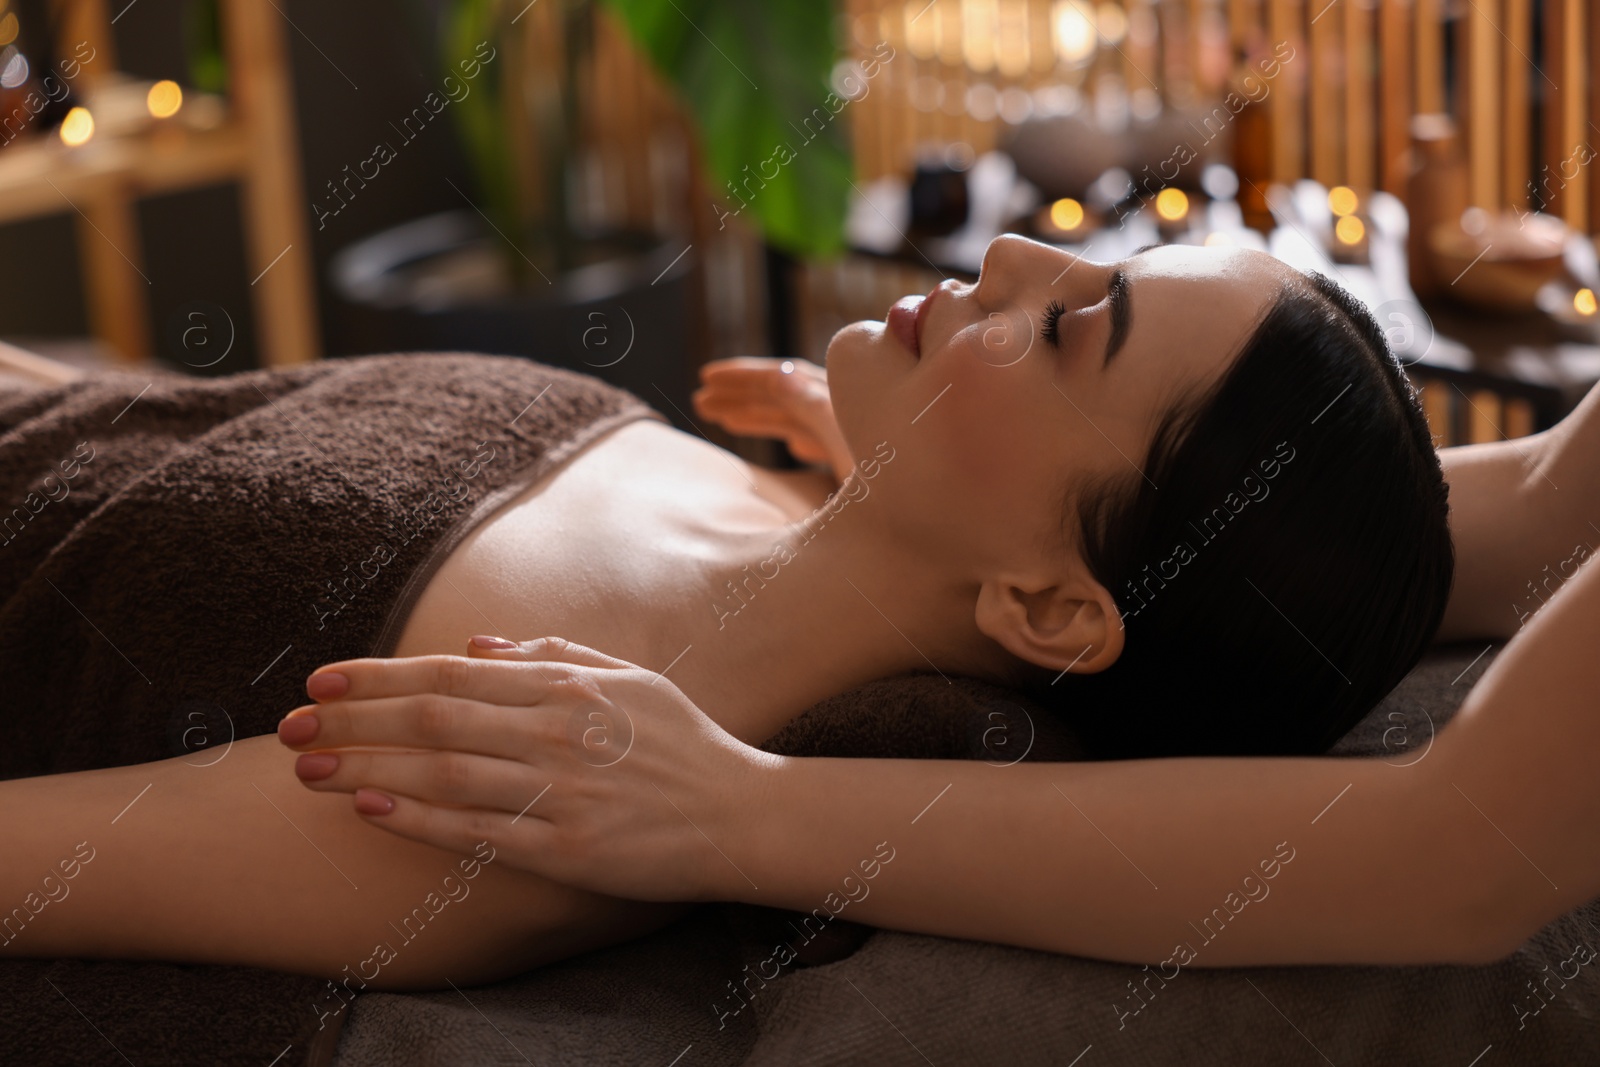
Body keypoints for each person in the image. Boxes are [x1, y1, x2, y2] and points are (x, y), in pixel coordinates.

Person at [1, 238, 1463, 988]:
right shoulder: (766, 483)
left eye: (1078, 326)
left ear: (1045, 607)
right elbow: (153, 427)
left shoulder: (515, 781)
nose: (1013, 263)